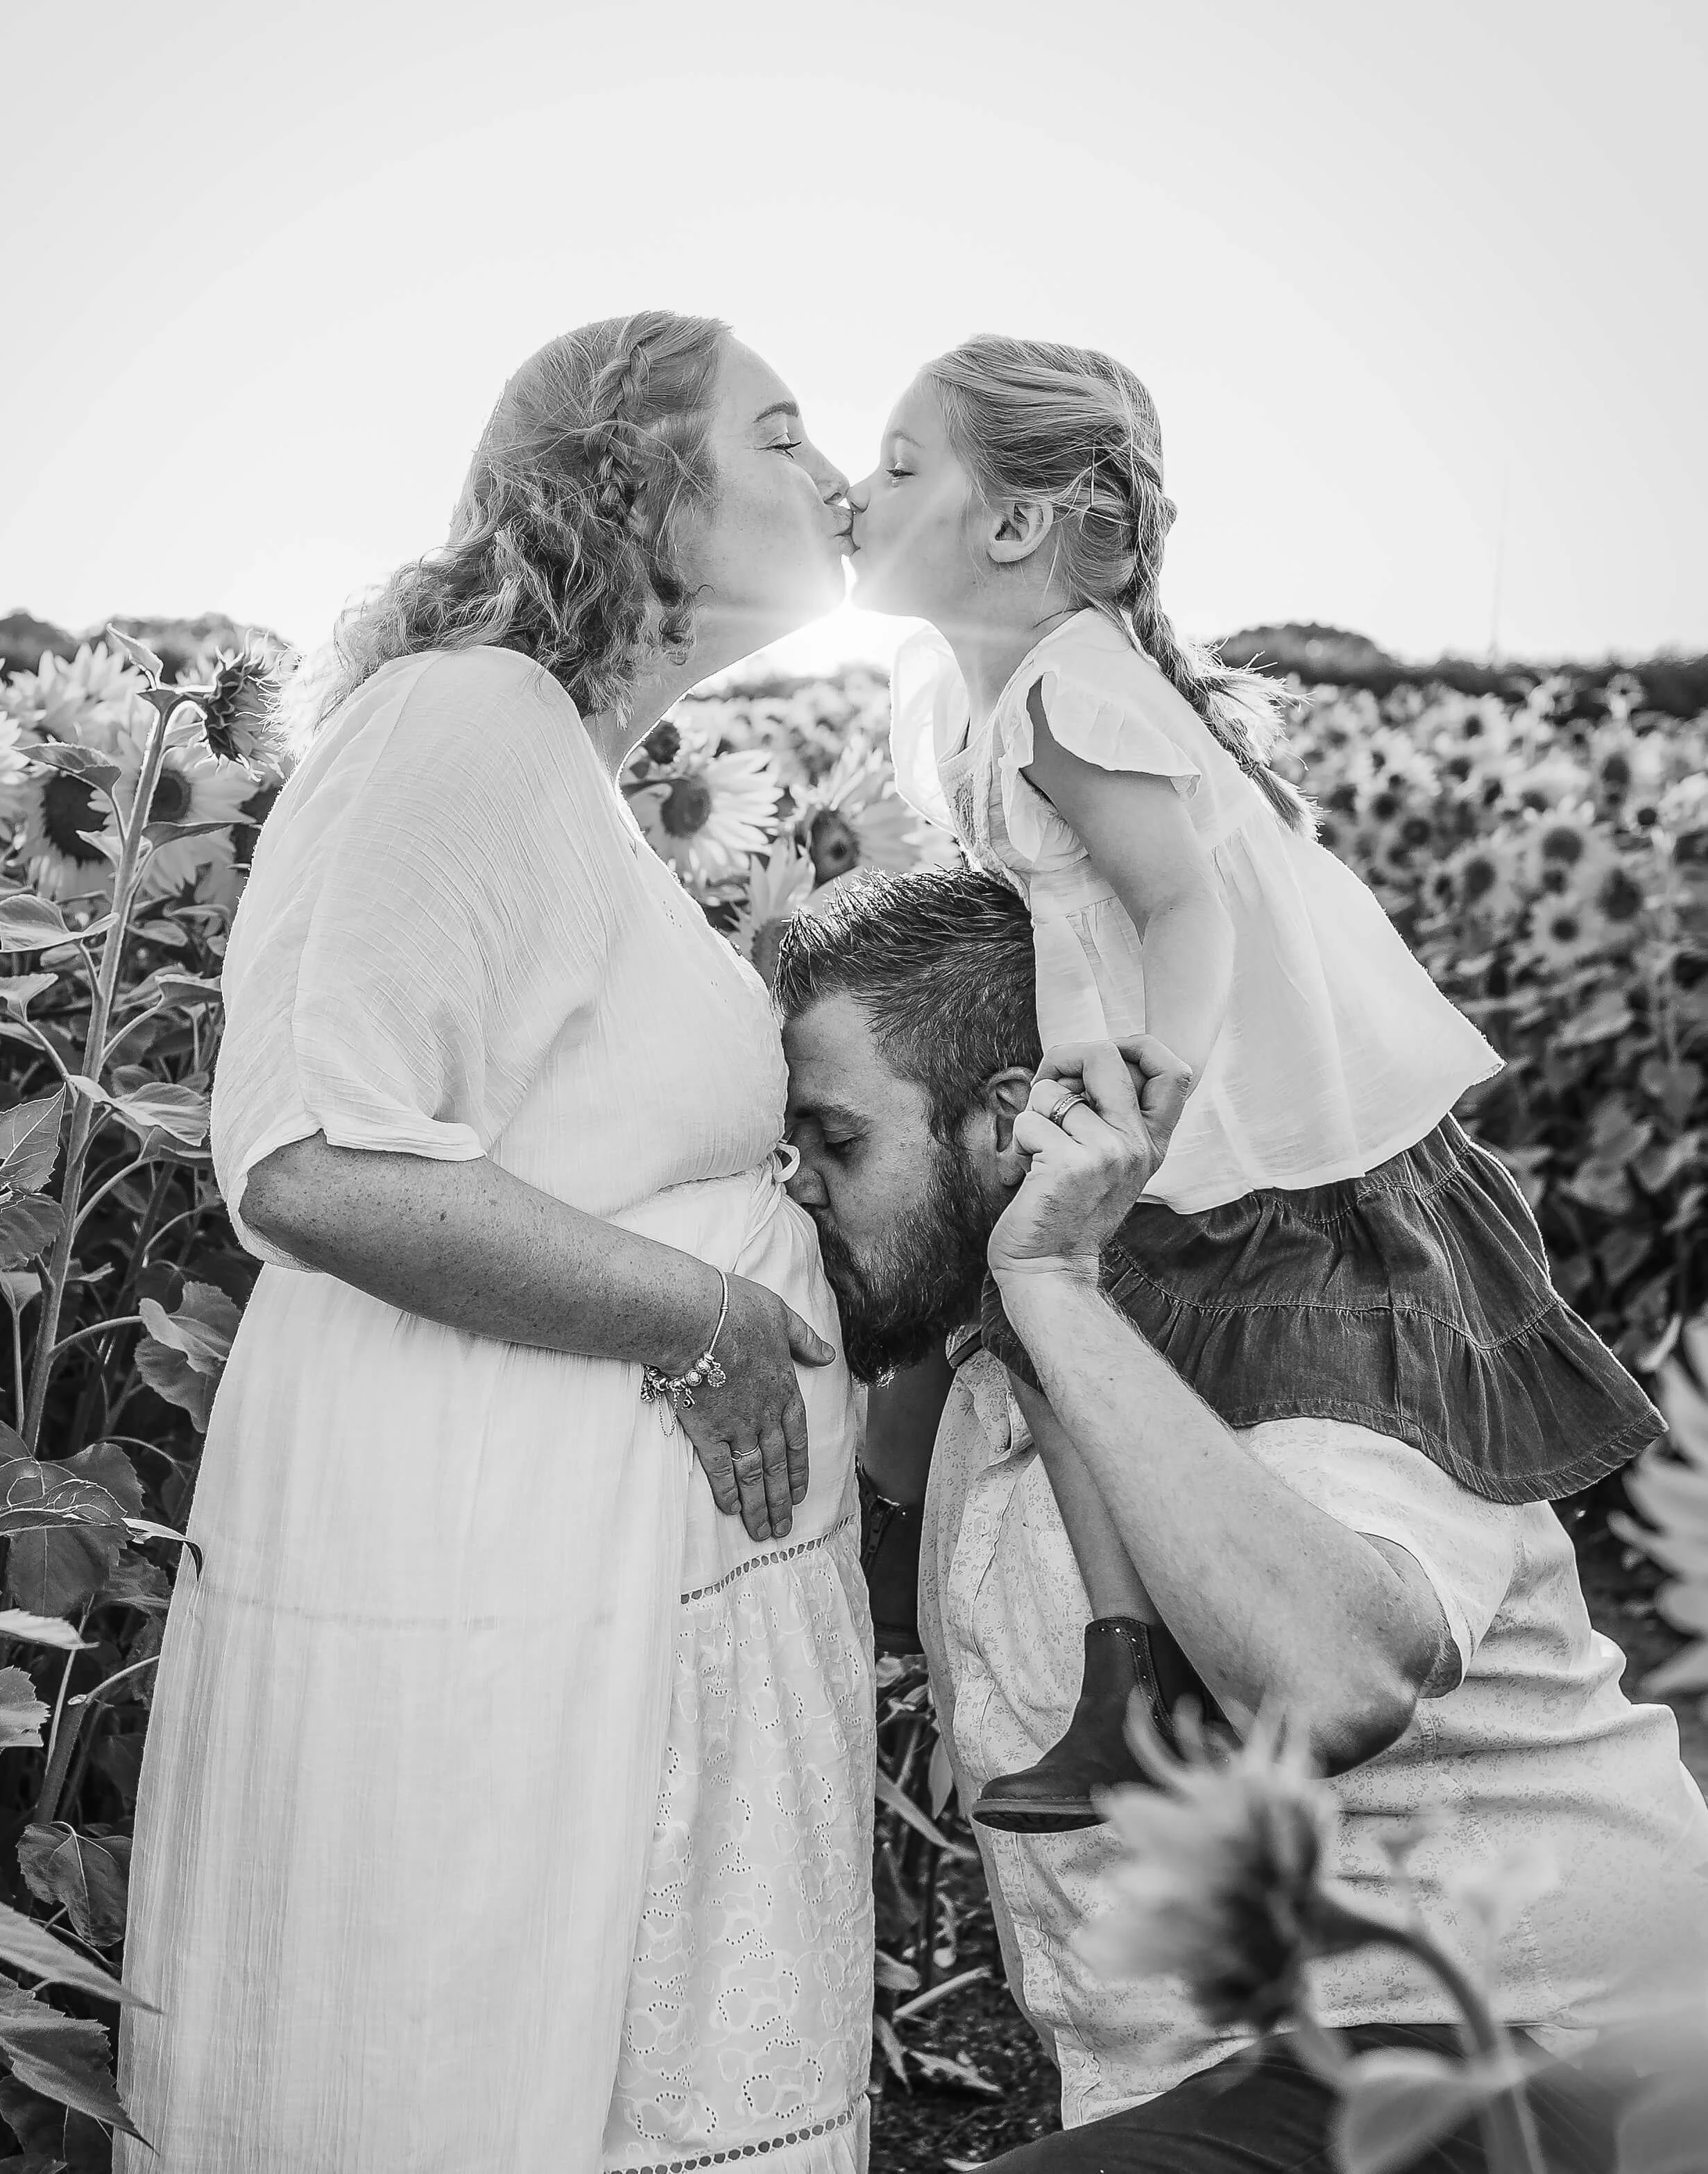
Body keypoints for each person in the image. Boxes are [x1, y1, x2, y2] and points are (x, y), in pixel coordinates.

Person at [118, 314, 875, 2174]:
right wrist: (703, 1312)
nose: (837, 476)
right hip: (488, 1581)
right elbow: (310, 1153)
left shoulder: (558, 757)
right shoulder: (465, 715)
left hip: (580, 1587)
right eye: (779, 435)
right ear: (635, 482)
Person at [842, 335, 1662, 1829]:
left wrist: (1150, 1089)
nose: (855, 490)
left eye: (897, 466)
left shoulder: (1064, 689)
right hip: (1122, 1062)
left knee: (1053, 1323)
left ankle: (1088, 1655)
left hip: (1239, 1105)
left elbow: (1183, 913)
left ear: (1017, 525)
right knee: (1015, 1325)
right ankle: (1034, 1629)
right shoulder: (952, 686)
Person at [776, 865, 1708, 2171]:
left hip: (1525, 2048)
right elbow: (860, 1561)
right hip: (1253, 2086)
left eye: (836, 1140)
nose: (797, 1186)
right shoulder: (985, 1350)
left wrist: (1045, 1275)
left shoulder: (1308, 1291)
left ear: (1006, 1121)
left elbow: (1335, 1681)